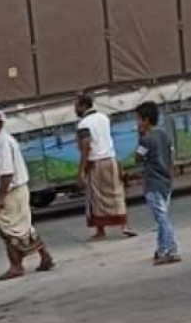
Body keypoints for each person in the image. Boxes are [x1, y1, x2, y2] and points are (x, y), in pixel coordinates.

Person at [0, 111, 55, 280]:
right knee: (22, 228)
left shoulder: (2, 143)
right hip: (15, 190)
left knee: (8, 230)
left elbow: (7, 172)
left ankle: (16, 266)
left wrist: (0, 197)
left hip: (11, 192)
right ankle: (45, 256)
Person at [75, 93, 136, 240]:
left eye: (76, 105)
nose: (75, 109)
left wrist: (81, 170)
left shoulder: (83, 124)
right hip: (111, 159)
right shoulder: (104, 118)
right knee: (117, 194)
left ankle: (100, 230)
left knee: (95, 198)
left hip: (96, 163)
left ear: (83, 105)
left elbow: (86, 146)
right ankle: (124, 226)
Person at [135, 101, 180, 265]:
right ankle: (161, 249)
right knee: (162, 217)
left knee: (161, 218)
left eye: (138, 120)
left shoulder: (146, 140)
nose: (137, 123)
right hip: (166, 182)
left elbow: (137, 158)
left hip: (153, 183)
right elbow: (171, 157)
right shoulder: (164, 135)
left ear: (146, 120)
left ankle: (171, 249)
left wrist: (140, 137)